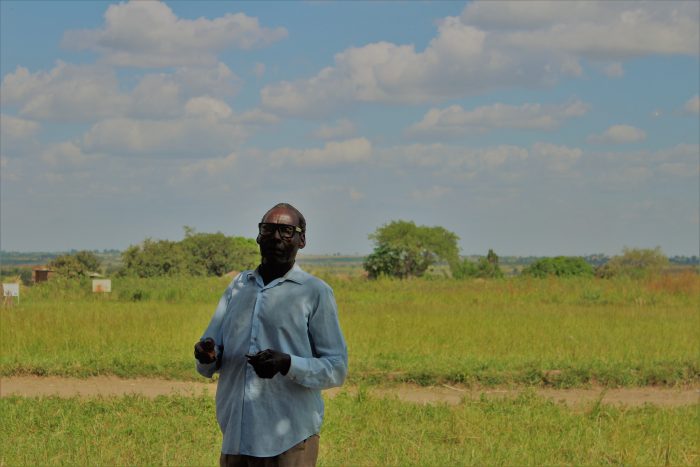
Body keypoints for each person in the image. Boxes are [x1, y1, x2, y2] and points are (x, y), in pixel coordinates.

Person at [194, 203, 348, 467]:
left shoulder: (314, 292)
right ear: (258, 236)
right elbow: (209, 356)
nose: (276, 237)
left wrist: (287, 363)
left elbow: (336, 368)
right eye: (268, 229)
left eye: (287, 231)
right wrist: (207, 354)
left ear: (302, 240)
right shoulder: (238, 287)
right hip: (237, 434)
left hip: (289, 440)